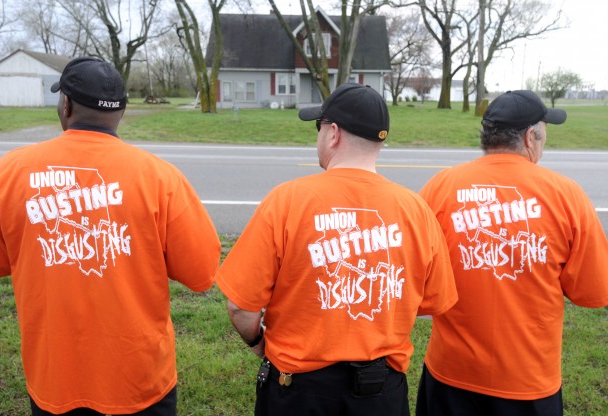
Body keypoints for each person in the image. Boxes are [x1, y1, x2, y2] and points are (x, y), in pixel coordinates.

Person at [0, 56, 221, 415]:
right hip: (139, 379)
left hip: (55, 379)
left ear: (65, 105)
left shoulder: (8, 173)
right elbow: (202, 272)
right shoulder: (160, 178)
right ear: (122, 112)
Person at [215, 83, 458, 416]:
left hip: (299, 393)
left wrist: (257, 343)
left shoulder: (286, 201)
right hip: (382, 393)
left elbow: (241, 307)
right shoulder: (415, 210)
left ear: (333, 133)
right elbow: (430, 302)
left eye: (318, 127)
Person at [416, 90, 608, 416]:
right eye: (545, 130)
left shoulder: (440, 187)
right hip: (529, 380)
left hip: (450, 374)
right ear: (531, 136)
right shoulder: (567, 196)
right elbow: (592, 291)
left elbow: (418, 284)